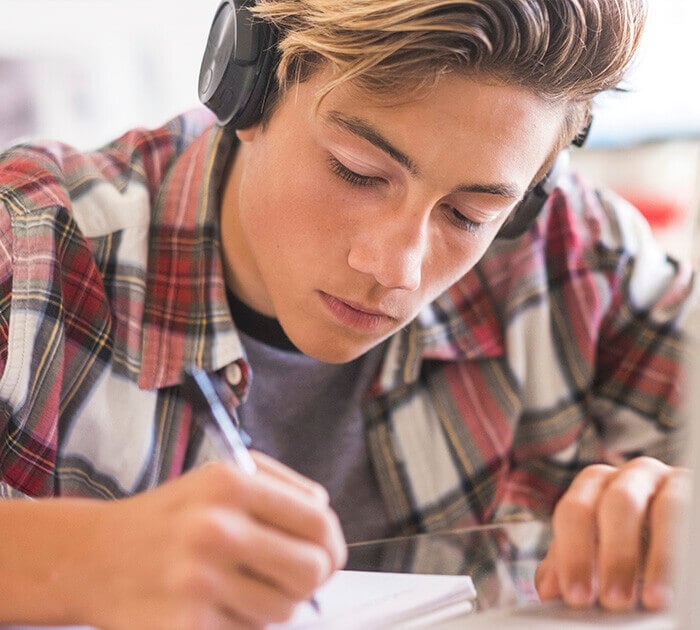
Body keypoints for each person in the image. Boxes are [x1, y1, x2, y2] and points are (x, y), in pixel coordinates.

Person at [0, 0, 693, 626]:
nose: (397, 267)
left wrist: (677, 507)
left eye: (468, 214)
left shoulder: (580, 256)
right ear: (247, 91)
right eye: (358, 171)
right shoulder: (30, 243)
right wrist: (88, 557)